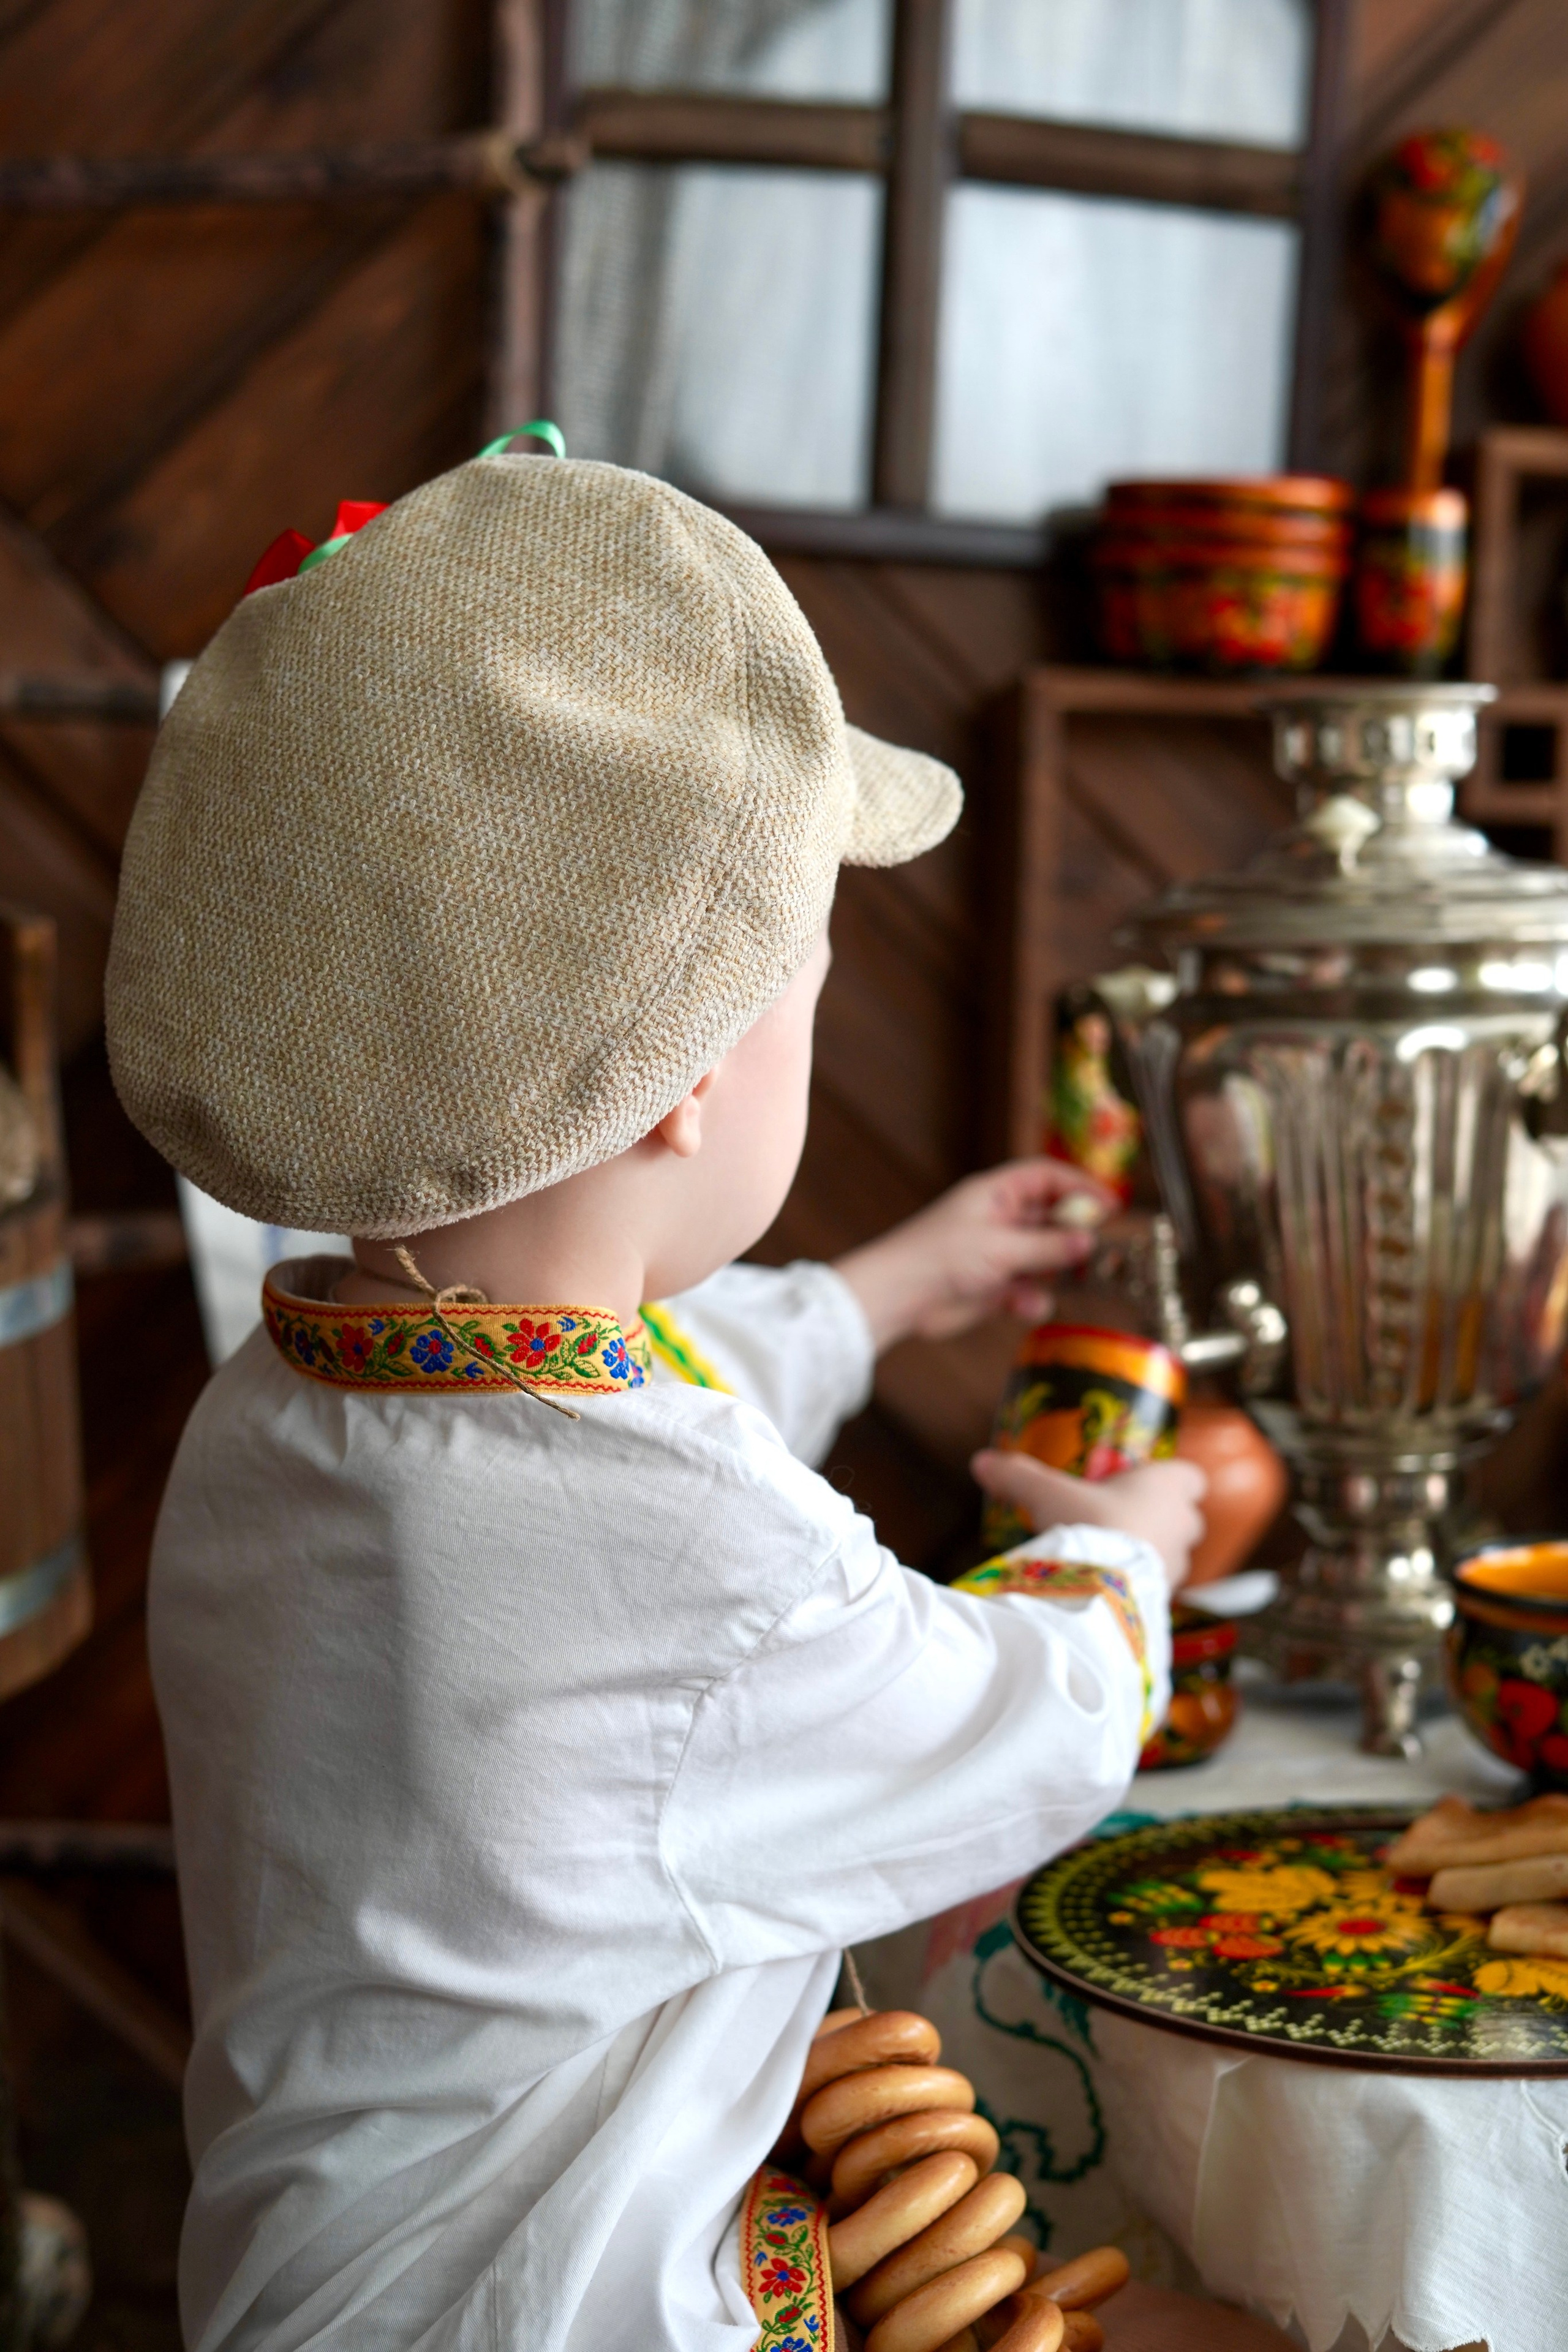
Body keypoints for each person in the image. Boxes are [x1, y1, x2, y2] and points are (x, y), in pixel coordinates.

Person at [105, 448, 1205, 2352]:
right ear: (692, 1071)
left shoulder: (278, 1413)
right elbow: (1021, 1729)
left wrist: (882, 1296)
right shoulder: (692, 1548)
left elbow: (590, 1446)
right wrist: (1116, 1559)